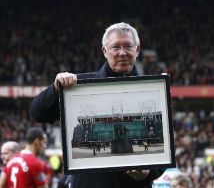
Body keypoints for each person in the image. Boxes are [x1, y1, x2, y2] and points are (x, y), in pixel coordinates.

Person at [29, 22, 162, 188]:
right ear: (104, 51)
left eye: (128, 46)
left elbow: (163, 149)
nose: (122, 53)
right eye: (115, 47)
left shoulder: (152, 92)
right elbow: (37, 113)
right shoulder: (78, 87)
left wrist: (149, 173)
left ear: (137, 50)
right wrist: (55, 89)